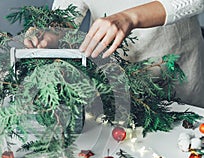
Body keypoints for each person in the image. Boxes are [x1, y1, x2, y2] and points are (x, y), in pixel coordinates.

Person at [25, 0, 204, 108]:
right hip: (113, 80)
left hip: (175, 71)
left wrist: (129, 18)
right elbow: (67, 16)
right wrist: (50, 34)